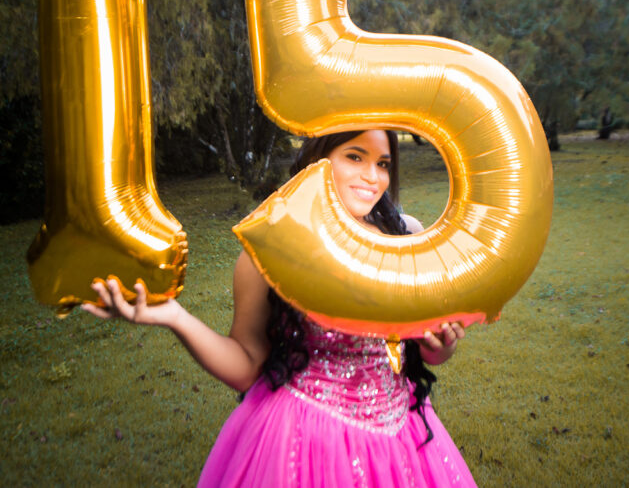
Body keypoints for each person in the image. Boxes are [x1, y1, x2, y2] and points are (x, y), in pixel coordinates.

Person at [84, 130, 476, 486]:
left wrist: (439, 347)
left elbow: (426, 348)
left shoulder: (406, 236)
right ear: (318, 161)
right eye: (354, 157)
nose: (372, 176)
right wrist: (173, 316)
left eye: (383, 163)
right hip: (305, 436)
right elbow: (245, 366)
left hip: (400, 430)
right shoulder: (268, 254)